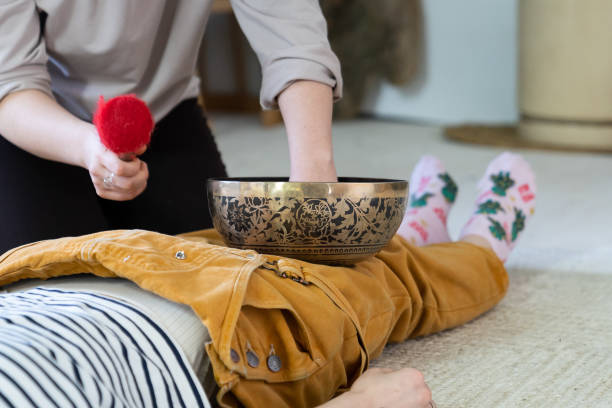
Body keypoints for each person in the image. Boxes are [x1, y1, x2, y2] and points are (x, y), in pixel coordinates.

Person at [0, 152, 536, 407]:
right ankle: (480, 244)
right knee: (388, 278)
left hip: (65, 267)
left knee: (274, 228)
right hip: (230, 334)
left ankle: (417, 229)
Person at [0, 1, 341, 254]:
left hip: (164, 111)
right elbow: (11, 82)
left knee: (217, 275)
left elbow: (293, 39)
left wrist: (314, 180)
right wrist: (88, 148)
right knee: (62, 293)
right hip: (34, 127)